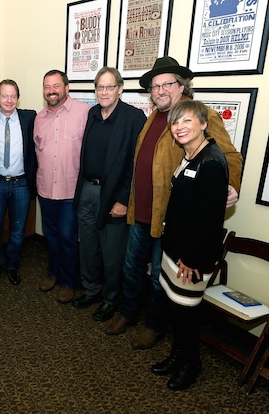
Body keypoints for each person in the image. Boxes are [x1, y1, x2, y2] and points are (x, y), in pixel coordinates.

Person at [106, 56, 243, 350]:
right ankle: (128, 312)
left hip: (168, 217)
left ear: (181, 86)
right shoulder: (153, 116)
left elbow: (229, 156)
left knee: (159, 275)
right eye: (155, 86)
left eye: (166, 84)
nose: (159, 91)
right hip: (140, 210)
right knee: (132, 268)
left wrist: (231, 184)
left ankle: (154, 326)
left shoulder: (200, 115)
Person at [152, 100, 228, 390]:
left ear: (204, 125)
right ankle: (177, 355)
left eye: (187, 121)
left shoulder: (211, 161)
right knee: (176, 310)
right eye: (175, 123)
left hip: (191, 259)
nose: (180, 128)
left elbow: (208, 221)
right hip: (175, 251)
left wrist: (189, 258)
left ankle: (192, 364)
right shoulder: (188, 156)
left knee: (188, 314)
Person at [71, 67, 146, 322]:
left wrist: (124, 199)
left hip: (113, 195)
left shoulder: (134, 118)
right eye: (100, 87)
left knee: (113, 253)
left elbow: (137, 164)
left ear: (120, 88)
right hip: (87, 191)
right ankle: (92, 289)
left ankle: (111, 299)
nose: (104, 92)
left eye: (109, 87)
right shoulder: (93, 113)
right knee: (88, 246)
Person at [34, 70, 90, 304]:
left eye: (56, 85)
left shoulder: (85, 113)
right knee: (52, 235)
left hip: (70, 190)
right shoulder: (39, 118)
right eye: (47, 86)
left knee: (68, 237)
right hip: (46, 188)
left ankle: (69, 282)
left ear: (67, 87)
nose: (51, 90)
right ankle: (54, 273)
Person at [0, 80, 37, 290]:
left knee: (17, 231)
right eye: (4, 96)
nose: (9, 100)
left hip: (21, 184)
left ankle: (12, 266)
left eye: (13, 96)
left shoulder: (29, 118)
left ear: (18, 98)